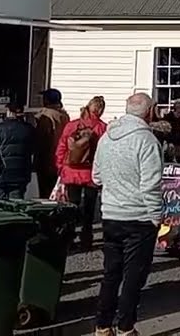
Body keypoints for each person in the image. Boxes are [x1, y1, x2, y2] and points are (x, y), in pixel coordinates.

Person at [91, 92, 164, 336]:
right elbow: (150, 185)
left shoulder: (106, 138)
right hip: (139, 217)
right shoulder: (147, 141)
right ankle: (125, 326)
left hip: (111, 213)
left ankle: (102, 325)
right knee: (133, 276)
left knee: (110, 273)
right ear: (149, 111)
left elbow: (96, 176)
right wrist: (156, 216)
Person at [56, 96, 108, 250]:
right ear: (100, 110)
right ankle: (87, 238)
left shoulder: (72, 125)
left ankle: (69, 237)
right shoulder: (101, 128)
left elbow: (61, 147)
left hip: (71, 171)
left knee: (72, 205)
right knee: (90, 208)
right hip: (91, 172)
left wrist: (60, 166)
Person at [0, 99, 37, 200]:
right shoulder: (29, 129)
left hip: (0, 173)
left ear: (9, 111)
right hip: (21, 172)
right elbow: (33, 149)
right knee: (16, 204)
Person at [34, 89, 70, 199]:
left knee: (45, 193)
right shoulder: (64, 116)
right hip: (61, 159)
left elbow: (42, 141)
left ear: (47, 100)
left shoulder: (46, 116)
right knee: (57, 192)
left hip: (47, 160)